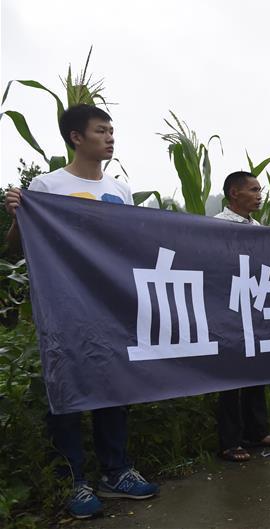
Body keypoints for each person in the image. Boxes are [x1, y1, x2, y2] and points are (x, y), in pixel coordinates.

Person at [4, 104, 159, 519]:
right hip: (66, 307)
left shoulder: (121, 190)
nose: (110, 137)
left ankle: (117, 470)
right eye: (101, 130)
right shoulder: (47, 186)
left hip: (112, 304)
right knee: (68, 389)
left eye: (112, 130)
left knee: (114, 384)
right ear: (76, 137)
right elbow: (18, 248)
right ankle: (73, 478)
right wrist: (20, 216)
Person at [214, 172, 270, 462]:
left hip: (254, 306)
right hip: (228, 308)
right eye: (253, 190)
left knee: (257, 371)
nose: (259, 195)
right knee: (232, 377)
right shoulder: (217, 225)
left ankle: (258, 432)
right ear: (234, 193)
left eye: (260, 190)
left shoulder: (257, 227)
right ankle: (230, 441)